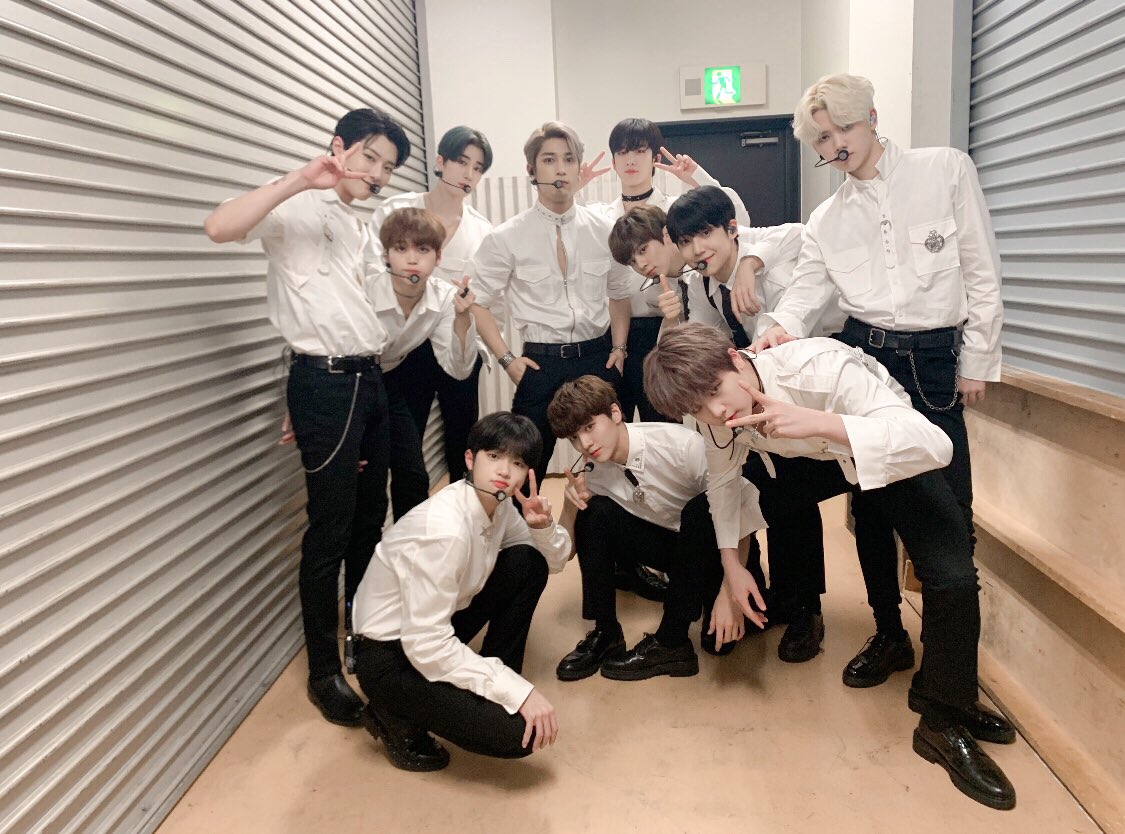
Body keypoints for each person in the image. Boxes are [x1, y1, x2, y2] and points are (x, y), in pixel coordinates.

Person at [644, 322, 1016, 811]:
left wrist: (817, 421)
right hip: (810, 457)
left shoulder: (820, 367)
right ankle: (786, 622)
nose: (715, 412)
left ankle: (945, 714)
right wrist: (732, 569)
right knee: (713, 512)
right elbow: (723, 483)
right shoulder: (716, 416)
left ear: (735, 358)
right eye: (698, 408)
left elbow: (934, 444)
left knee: (953, 577)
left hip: (873, 442)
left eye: (716, 391)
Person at [753, 73, 1003, 689]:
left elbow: (981, 270)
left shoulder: (945, 170)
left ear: (870, 116)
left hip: (937, 364)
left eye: (842, 128)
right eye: (821, 138)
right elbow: (807, 291)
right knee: (870, 507)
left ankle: (948, 668)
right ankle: (889, 632)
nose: (834, 144)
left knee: (951, 515)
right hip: (868, 361)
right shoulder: (826, 219)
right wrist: (777, 328)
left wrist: (977, 358)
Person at [203, 107, 411, 727]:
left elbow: (348, 309)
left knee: (370, 518)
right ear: (339, 147)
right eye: (369, 157)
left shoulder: (362, 224)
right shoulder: (293, 206)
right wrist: (299, 179)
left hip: (369, 380)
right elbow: (218, 226)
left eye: (387, 167)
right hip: (325, 383)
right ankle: (324, 671)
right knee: (330, 528)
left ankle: (366, 639)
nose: (376, 174)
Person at [351, 412, 570, 771]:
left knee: (527, 562)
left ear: (527, 474)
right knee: (519, 734)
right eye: (494, 456)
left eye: (517, 463)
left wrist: (543, 526)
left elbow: (554, 561)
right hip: (389, 655)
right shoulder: (446, 530)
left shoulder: (499, 507)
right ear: (470, 459)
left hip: (431, 624)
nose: (504, 471)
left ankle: (496, 679)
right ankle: (390, 711)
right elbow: (426, 645)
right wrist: (517, 692)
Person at [547, 376, 765, 682]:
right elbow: (564, 555)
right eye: (574, 437)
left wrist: (729, 595)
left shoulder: (681, 445)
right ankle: (612, 634)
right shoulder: (594, 470)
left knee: (718, 644)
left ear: (615, 413)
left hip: (723, 554)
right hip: (677, 552)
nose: (585, 444)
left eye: (589, 427)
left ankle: (686, 614)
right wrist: (570, 506)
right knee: (594, 513)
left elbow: (741, 512)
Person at [470, 121, 633, 483]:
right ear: (532, 170)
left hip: (597, 357)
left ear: (578, 168)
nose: (560, 169)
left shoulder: (603, 229)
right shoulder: (506, 237)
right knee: (524, 464)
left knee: (616, 462)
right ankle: (522, 522)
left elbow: (620, 294)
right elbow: (478, 303)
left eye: (568, 159)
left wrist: (619, 347)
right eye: (549, 160)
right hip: (540, 363)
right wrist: (508, 360)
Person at [577, 117, 762, 422]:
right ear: (613, 161)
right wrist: (573, 191)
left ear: (654, 157)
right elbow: (573, 236)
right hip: (618, 330)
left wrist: (696, 177)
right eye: (622, 152)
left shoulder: (673, 210)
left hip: (672, 322)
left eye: (639, 151)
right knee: (615, 418)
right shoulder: (599, 215)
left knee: (668, 417)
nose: (631, 160)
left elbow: (736, 220)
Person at [367, 126, 495, 483]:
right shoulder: (398, 209)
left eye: (477, 168)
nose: (468, 174)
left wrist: (483, 348)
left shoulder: (482, 231)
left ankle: (463, 509)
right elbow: (369, 273)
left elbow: (487, 299)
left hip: (455, 338)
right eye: (461, 162)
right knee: (405, 447)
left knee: (462, 440)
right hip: (404, 345)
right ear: (440, 162)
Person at [369, 207, 478, 518]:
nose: (412, 259)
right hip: (352, 383)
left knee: (413, 475)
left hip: (389, 381)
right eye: (400, 248)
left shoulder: (444, 297)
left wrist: (462, 318)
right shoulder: (365, 290)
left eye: (423, 249)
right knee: (368, 486)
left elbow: (459, 370)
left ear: (438, 257)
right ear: (386, 255)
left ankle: (413, 541)